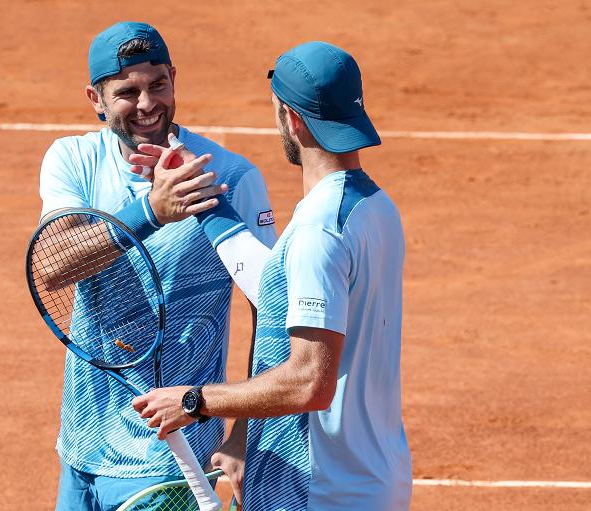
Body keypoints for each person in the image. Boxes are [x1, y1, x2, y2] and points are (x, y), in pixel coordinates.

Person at [133, 42, 413, 510]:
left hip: (321, 490)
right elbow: (281, 288)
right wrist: (210, 203)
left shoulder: (318, 232)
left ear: (292, 118)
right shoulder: (373, 208)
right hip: (374, 477)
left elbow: (309, 382)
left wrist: (193, 401)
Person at [37, 21, 277, 511]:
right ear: (96, 99)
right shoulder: (74, 159)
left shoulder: (231, 177)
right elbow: (52, 266)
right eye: (128, 92)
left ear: (174, 78)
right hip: (81, 447)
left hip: (169, 460)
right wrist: (150, 213)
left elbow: (269, 310)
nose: (148, 104)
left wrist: (243, 431)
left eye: (158, 85)